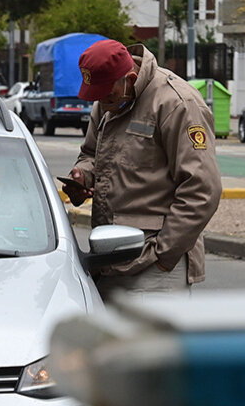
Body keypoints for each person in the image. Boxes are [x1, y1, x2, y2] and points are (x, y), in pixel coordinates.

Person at [62, 40, 222, 297]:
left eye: (108, 95)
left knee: (152, 339)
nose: (103, 102)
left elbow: (202, 189)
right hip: (109, 261)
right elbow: (90, 153)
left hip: (154, 266)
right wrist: (83, 175)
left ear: (130, 78)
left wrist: (163, 254)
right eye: (97, 96)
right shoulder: (106, 98)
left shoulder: (177, 103)